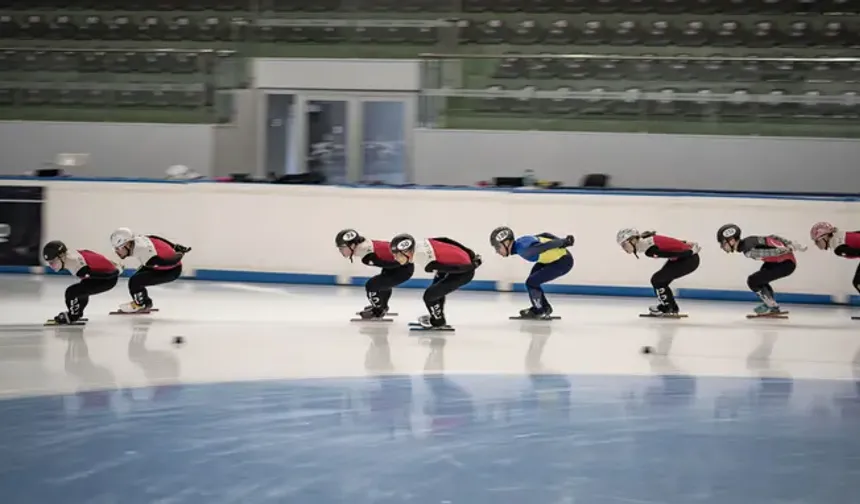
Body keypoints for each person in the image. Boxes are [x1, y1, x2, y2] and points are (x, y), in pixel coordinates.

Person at [389, 233, 481, 329]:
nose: (395, 258)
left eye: (397, 255)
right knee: (436, 291)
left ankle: (438, 321)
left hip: (463, 272)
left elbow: (455, 268)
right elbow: (445, 239)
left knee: (429, 296)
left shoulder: (425, 260)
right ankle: (437, 317)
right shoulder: (421, 243)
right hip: (458, 264)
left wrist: (473, 265)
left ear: (407, 252)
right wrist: (469, 253)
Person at [716, 223, 805, 315]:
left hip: (785, 264)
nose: (722, 247)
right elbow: (772, 237)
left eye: (723, 243)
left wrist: (786, 249)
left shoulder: (748, 251)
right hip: (782, 261)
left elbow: (769, 252)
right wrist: (789, 243)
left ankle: (771, 306)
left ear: (732, 240)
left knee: (753, 281)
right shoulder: (749, 240)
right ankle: (770, 304)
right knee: (760, 278)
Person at [489, 226, 574, 319]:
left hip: (563, 261)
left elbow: (546, 246)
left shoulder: (524, 250)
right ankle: (543, 308)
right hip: (552, 259)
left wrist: (564, 242)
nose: (497, 251)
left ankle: (540, 311)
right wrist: (563, 242)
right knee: (532, 281)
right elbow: (545, 235)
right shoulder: (520, 242)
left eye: (497, 247)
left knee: (531, 282)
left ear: (506, 242)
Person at [616, 228, 701, 316]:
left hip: (688, 259)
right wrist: (684, 243)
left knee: (657, 280)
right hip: (684, 258)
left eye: (624, 245)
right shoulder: (647, 240)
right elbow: (668, 242)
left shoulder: (650, 250)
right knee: (660, 280)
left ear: (633, 240)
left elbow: (671, 254)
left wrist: (690, 252)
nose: (624, 249)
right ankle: (671, 307)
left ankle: (668, 308)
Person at [336, 228, 414, 319]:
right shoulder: (363, 245)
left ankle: (378, 310)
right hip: (401, 265)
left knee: (371, 285)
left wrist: (399, 264)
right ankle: (382, 306)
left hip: (403, 268)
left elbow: (389, 263)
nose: (340, 251)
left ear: (352, 245)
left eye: (342, 248)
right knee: (382, 284)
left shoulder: (367, 254)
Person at [110, 227, 190, 313]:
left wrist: (180, 254)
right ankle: (145, 302)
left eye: (118, 248)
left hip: (171, 271)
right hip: (162, 264)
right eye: (115, 249)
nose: (117, 252)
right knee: (136, 278)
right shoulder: (139, 239)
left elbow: (169, 262)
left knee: (135, 281)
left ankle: (141, 305)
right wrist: (174, 246)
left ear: (128, 244)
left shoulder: (147, 255)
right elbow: (154, 237)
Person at [42, 240, 120, 324]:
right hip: (107, 275)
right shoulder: (71, 256)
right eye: (49, 263)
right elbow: (91, 254)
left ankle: (73, 316)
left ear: (62, 256)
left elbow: (98, 274)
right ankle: (77, 313)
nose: (51, 266)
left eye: (53, 262)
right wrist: (112, 266)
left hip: (108, 279)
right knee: (81, 290)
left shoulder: (75, 265)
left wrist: (114, 272)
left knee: (72, 292)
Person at [809, 222, 860, 298]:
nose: (816, 245)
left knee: (858, 282)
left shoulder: (838, 248)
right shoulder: (842, 235)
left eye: (817, 241)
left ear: (825, 237)